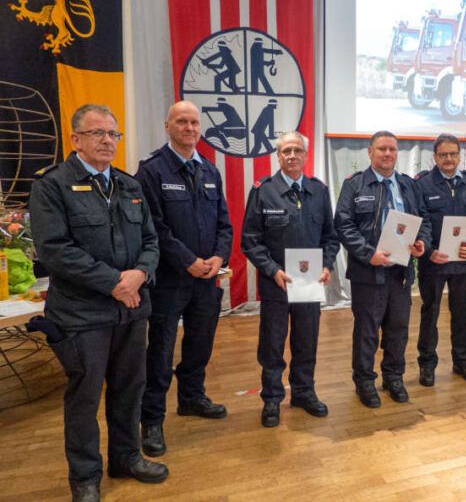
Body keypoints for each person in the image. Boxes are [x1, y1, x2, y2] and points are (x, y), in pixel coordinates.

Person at [29, 104, 166, 502]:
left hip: (132, 308)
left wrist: (138, 275)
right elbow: (54, 250)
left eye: (113, 134)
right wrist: (113, 283)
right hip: (81, 314)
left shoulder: (128, 185)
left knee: (129, 388)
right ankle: (85, 477)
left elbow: (152, 241)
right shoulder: (52, 185)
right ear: (76, 140)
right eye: (97, 133)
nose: (108, 141)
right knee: (85, 396)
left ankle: (126, 457)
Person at [135, 101, 233, 456]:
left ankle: (192, 398)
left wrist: (219, 257)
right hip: (169, 281)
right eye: (182, 121)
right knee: (159, 351)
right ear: (168, 125)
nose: (190, 128)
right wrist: (187, 261)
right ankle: (152, 420)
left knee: (200, 344)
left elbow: (225, 222)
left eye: (194, 122)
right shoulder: (151, 171)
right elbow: (153, 229)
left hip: (207, 279)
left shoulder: (209, 170)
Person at [241, 131, 339, 427]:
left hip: (310, 280)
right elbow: (250, 240)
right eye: (286, 151)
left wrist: (327, 265)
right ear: (278, 156)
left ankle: (303, 392)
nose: (292, 155)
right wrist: (272, 270)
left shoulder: (318, 191)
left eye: (297, 150)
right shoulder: (263, 190)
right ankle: (272, 399)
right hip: (277, 282)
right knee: (272, 343)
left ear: (306, 155)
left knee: (306, 339)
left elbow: (330, 237)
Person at [334, 131, 431, 408]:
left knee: (398, 329)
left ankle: (394, 377)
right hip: (368, 272)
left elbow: (423, 221)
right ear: (370, 152)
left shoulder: (408, 185)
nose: (387, 154)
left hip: (400, 272)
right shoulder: (354, 185)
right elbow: (343, 225)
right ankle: (364, 381)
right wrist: (368, 254)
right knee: (367, 330)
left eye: (392, 149)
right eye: (381, 149)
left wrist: (422, 243)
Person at [415, 133, 466, 387]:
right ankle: (427, 364)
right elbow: (420, 221)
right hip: (433, 263)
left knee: (461, 314)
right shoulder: (421, 184)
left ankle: (463, 363)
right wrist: (430, 251)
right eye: (443, 154)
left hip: (463, 264)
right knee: (429, 313)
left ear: (459, 155)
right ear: (435, 156)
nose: (449, 159)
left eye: (453, 154)